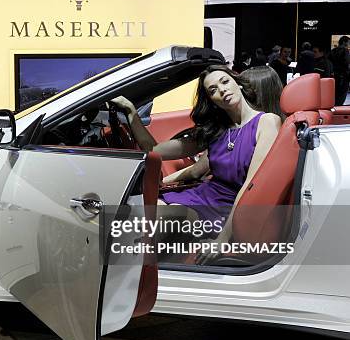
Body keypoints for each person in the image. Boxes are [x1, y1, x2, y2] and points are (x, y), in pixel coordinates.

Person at [112, 65, 281, 264]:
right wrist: (131, 111)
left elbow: (251, 187)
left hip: (224, 208)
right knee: (142, 209)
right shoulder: (216, 130)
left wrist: (222, 240)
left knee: (167, 217)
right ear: (212, 101)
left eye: (225, 82)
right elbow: (154, 149)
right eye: (213, 90)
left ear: (238, 83)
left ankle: (120, 270)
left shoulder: (267, 122)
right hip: (200, 195)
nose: (222, 90)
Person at [329, 36, 350, 105]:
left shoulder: (333, 50)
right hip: (343, 77)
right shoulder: (345, 50)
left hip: (334, 76)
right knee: (341, 97)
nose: (349, 44)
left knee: (334, 95)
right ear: (344, 42)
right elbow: (347, 63)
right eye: (348, 42)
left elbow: (329, 62)